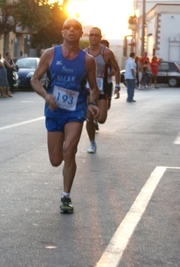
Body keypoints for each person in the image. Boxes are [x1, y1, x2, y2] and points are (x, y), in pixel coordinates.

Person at [30, 18, 99, 214]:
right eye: (67, 28)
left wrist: (92, 103)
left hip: (75, 111)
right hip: (54, 110)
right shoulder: (50, 54)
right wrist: (46, 95)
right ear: (62, 33)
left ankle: (66, 197)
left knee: (70, 150)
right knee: (55, 160)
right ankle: (61, 149)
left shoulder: (87, 61)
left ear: (80, 34)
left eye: (75, 28)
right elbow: (34, 79)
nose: (71, 31)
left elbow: (93, 88)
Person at [84, 28, 121, 154]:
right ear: (88, 37)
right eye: (91, 35)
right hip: (88, 90)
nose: (93, 37)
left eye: (96, 35)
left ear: (100, 37)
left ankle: (95, 120)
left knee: (101, 119)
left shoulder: (106, 53)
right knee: (88, 117)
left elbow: (116, 69)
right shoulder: (84, 53)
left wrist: (117, 87)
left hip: (101, 89)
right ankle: (92, 143)